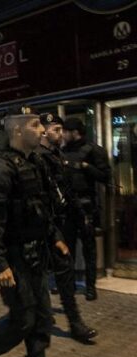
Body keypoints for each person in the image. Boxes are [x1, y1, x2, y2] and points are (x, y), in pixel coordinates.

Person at [0, 107, 63, 357]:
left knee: (43, 316)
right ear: (17, 130)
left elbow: (42, 208)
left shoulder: (36, 162)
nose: (42, 130)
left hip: (36, 253)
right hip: (14, 257)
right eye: (35, 125)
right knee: (23, 318)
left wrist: (55, 236)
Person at [36, 113, 98, 343]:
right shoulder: (37, 158)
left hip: (60, 223)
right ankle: (56, 320)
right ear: (43, 131)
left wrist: (81, 216)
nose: (60, 134)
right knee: (44, 273)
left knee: (61, 270)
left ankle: (73, 323)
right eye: (55, 130)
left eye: (61, 130)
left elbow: (67, 191)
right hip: (45, 226)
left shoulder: (56, 155)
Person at [61, 118, 111, 301]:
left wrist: (85, 167)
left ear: (75, 132)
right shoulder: (63, 151)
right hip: (68, 206)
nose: (63, 135)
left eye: (65, 131)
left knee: (89, 249)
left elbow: (105, 176)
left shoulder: (93, 150)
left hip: (86, 205)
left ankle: (90, 286)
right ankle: (69, 284)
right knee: (68, 248)